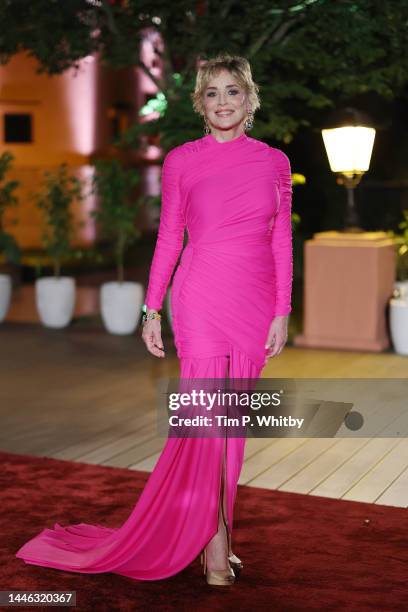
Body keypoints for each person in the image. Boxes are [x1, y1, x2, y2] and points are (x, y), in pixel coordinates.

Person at [15, 54, 293, 587]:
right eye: (211, 93)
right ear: (200, 104)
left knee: (231, 428)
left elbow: (280, 241)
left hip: (256, 302)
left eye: (232, 91)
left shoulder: (274, 163)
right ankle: (213, 550)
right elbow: (168, 237)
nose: (222, 102)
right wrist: (151, 308)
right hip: (202, 297)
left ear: (250, 98)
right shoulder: (182, 162)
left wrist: (282, 310)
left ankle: (221, 532)